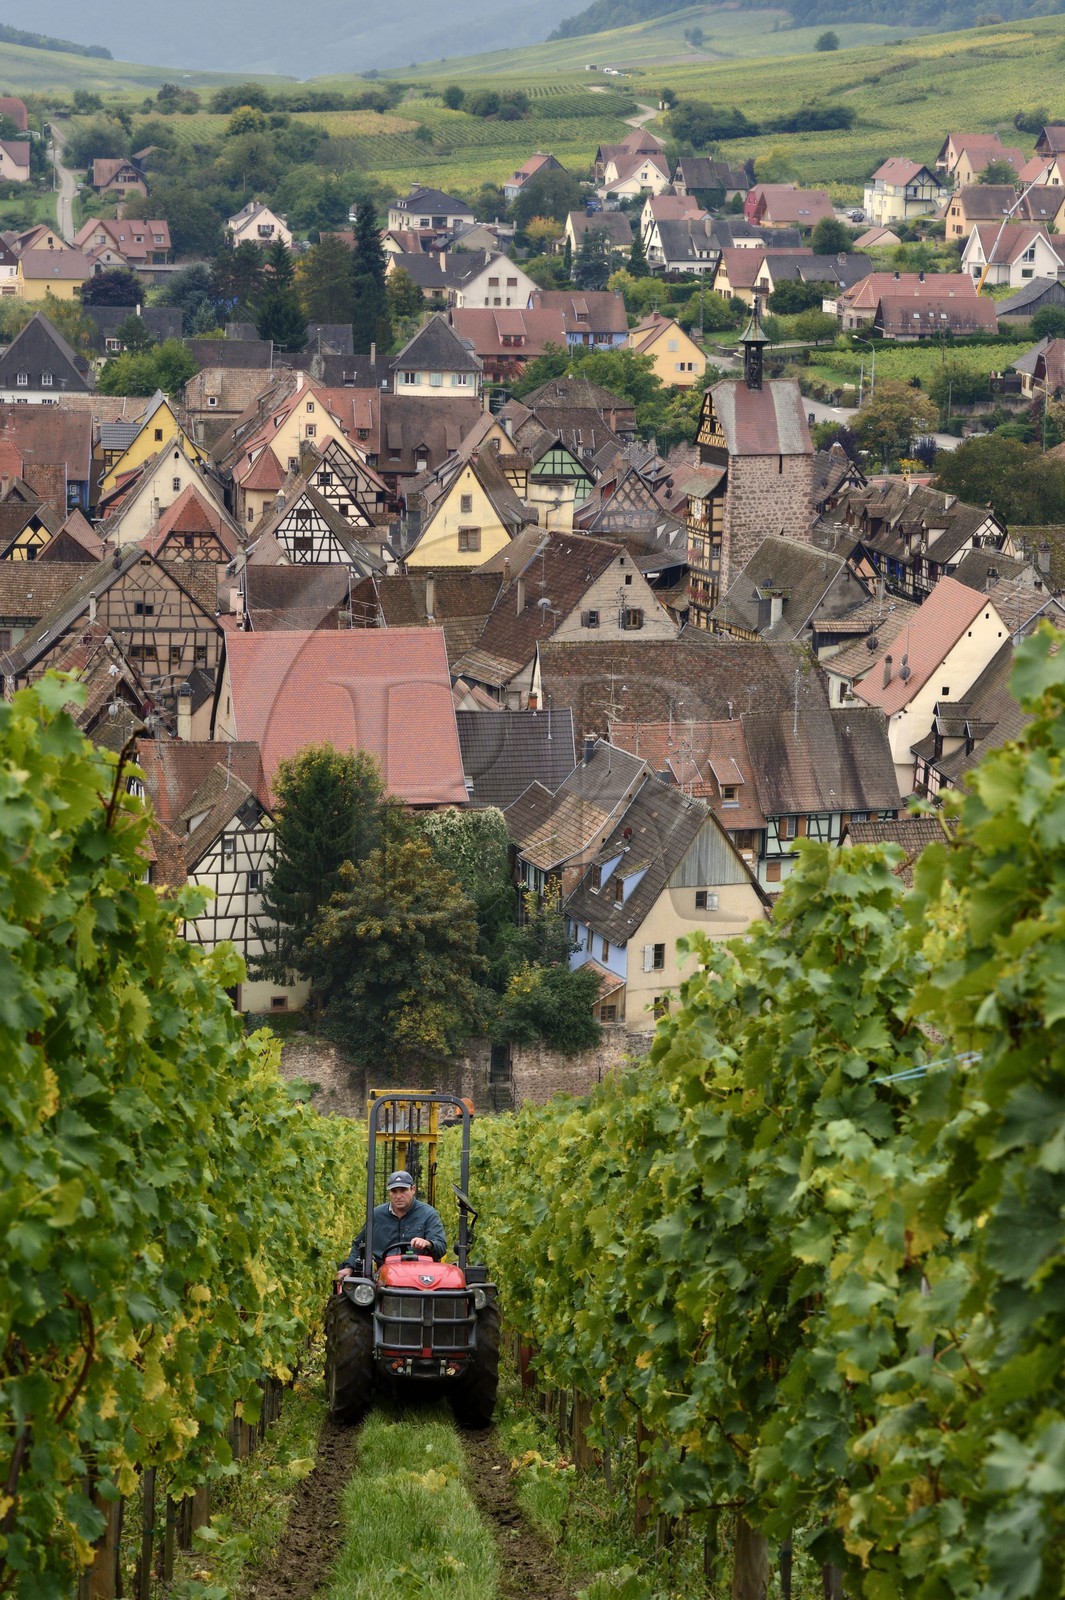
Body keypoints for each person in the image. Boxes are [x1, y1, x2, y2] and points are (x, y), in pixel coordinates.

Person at [337, 1170, 446, 1278]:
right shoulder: (376, 1215)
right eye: (394, 1191)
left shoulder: (428, 1214)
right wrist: (349, 1267)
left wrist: (428, 1243)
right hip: (382, 1274)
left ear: (413, 1189)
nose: (398, 1196)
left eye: (403, 1190)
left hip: (419, 1273)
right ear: (389, 1192)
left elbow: (441, 1246)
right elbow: (359, 1244)